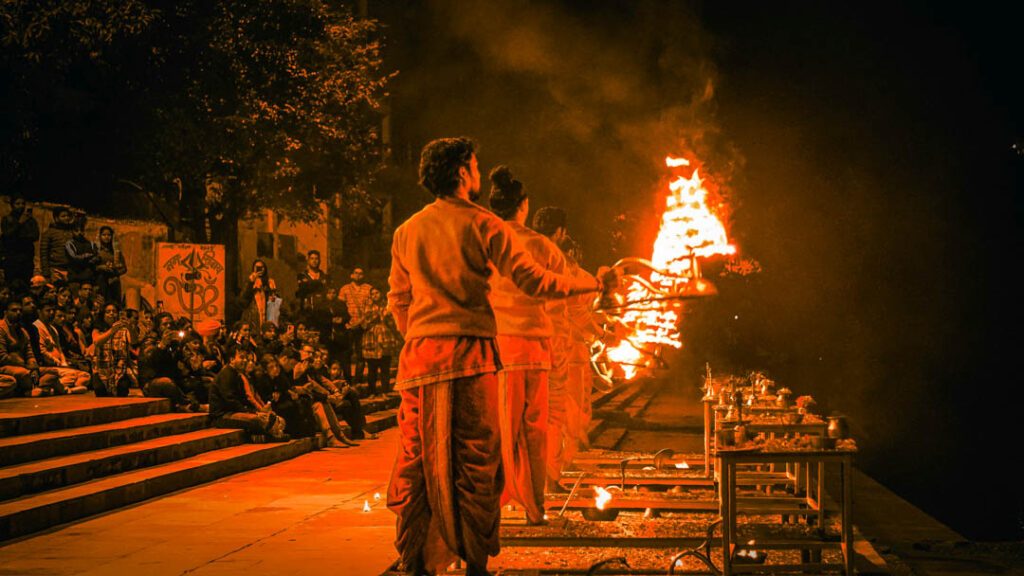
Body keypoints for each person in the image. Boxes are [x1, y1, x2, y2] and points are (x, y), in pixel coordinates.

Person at [385, 137, 605, 576]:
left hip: (420, 360)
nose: (479, 175)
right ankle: (475, 567)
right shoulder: (485, 225)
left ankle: (416, 562)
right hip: (473, 357)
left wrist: (423, 334)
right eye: (476, 166)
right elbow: (538, 283)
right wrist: (595, 285)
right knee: (476, 459)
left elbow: (398, 300)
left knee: (418, 458)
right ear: (463, 172)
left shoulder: (406, 230)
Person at [486, 165, 561, 525]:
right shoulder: (542, 246)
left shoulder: (485, 244)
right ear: (524, 205)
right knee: (536, 432)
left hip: (500, 351)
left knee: (500, 429)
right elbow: (561, 295)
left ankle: (492, 505)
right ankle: (536, 508)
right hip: (536, 351)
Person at [208, 347, 288, 441]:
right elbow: (231, 401)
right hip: (223, 415)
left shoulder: (237, 375)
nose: (245, 361)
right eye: (241, 357)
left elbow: (244, 400)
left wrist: (257, 411)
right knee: (259, 420)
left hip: (235, 412)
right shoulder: (226, 374)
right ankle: (271, 437)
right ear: (232, 359)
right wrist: (254, 413)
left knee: (274, 417)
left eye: (246, 358)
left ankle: (269, 435)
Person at [1, 299, 59, 397]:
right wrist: (26, 366)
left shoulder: (23, 331)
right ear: (5, 313)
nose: (18, 313)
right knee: (24, 374)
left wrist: (33, 366)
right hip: (7, 366)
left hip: (25, 367)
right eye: (14, 310)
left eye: (20, 310)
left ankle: (31, 389)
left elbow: (29, 354)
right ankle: (32, 389)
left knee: (54, 372)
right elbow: (2, 357)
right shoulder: (1, 329)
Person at [361, 287, 400, 396]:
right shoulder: (368, 307)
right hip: (371, 339)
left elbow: (393, 322)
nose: (374, 295)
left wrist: (388, 317)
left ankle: (384, 391)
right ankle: (371, 392)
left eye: (376, 293)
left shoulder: (388, 306)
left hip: (385, 338)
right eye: (372, 294)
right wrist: (378, 315)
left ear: (381, 293)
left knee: (385, 368)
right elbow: (365, 321)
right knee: (372, 369)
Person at [91, 303, 136, 396]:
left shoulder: (124, 329)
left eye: (114, 311)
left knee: (122, 390)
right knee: (100, 392)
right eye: (108, 312)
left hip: (119, 370)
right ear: (103, 315)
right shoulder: (97, 329)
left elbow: (134, 341)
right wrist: (112, 330)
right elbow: (97, 342)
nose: (111, 313)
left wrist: (129, 327)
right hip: (101, 370)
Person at [337, 267, 371, 385]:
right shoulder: (345, 289)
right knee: (347, 353)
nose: (358, 276)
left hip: (362, 326)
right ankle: (348, 380)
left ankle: (358, 381)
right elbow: (340, 307)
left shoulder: (368, 288)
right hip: (348, 326)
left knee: (361, 354)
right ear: (351, 275)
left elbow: (370, 308)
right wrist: (346, 323)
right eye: (356, 273)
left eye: (361, 274)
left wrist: (362, 321)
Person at [1, 195, 41, 292]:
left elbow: (35, 235)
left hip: (26, 258)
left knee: (26, 285)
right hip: (12, 258)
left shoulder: (30, 220)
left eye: (23, 203)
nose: (21, 206)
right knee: (11, 284)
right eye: (17, 204)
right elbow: (7, 235)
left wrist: (21, 236)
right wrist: (19, 224)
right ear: (12, 205)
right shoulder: (8, 219)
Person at [39, 207, 76, 284]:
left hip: (70, 269)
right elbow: (44, 254)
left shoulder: (71, 232)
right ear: (56, 218)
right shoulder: (49, 233)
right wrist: (46, 273)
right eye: (63, 216)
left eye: (67, 216)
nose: (66, 218)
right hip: (55, 269)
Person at [240, 259, 279, 329]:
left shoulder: (270, 282)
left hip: (267, 316)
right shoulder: (250, 281)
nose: (260, 269)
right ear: (253, 268)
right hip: (253, 317)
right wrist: (251, 282)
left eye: (262, 267)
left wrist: (272, 293)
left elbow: (275, 301)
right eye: (257, 267)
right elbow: (243, 299)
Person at [65, 215, 101, 288]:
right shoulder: (69, 244)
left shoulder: (90, 244)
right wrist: (88, 256)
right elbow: (74, 258)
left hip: (89, 278)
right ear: (72, 231)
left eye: (81, 230)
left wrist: (90, 259)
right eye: (76, 230)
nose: (79, 233)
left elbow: (97, 257)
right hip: (75, 277)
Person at [94, 226, 128, 305]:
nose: (106, 237)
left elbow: (124, 268)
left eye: (109, 235)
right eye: (104, 235)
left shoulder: (116, 251)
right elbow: (92, 266)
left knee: (114, 304)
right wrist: (101, 267)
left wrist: (114, 271)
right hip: (100, 281)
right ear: (100, 236)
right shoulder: (96, 250)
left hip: (114, 282)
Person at [295, 249, 330, 317]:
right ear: (308, 260)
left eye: (316, 258)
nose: (314, 261)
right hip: (307, 310)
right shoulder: (302, 276)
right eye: (312, 258)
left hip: (321, 311)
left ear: (319, 260)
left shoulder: (324, 276)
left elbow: (326, 292)